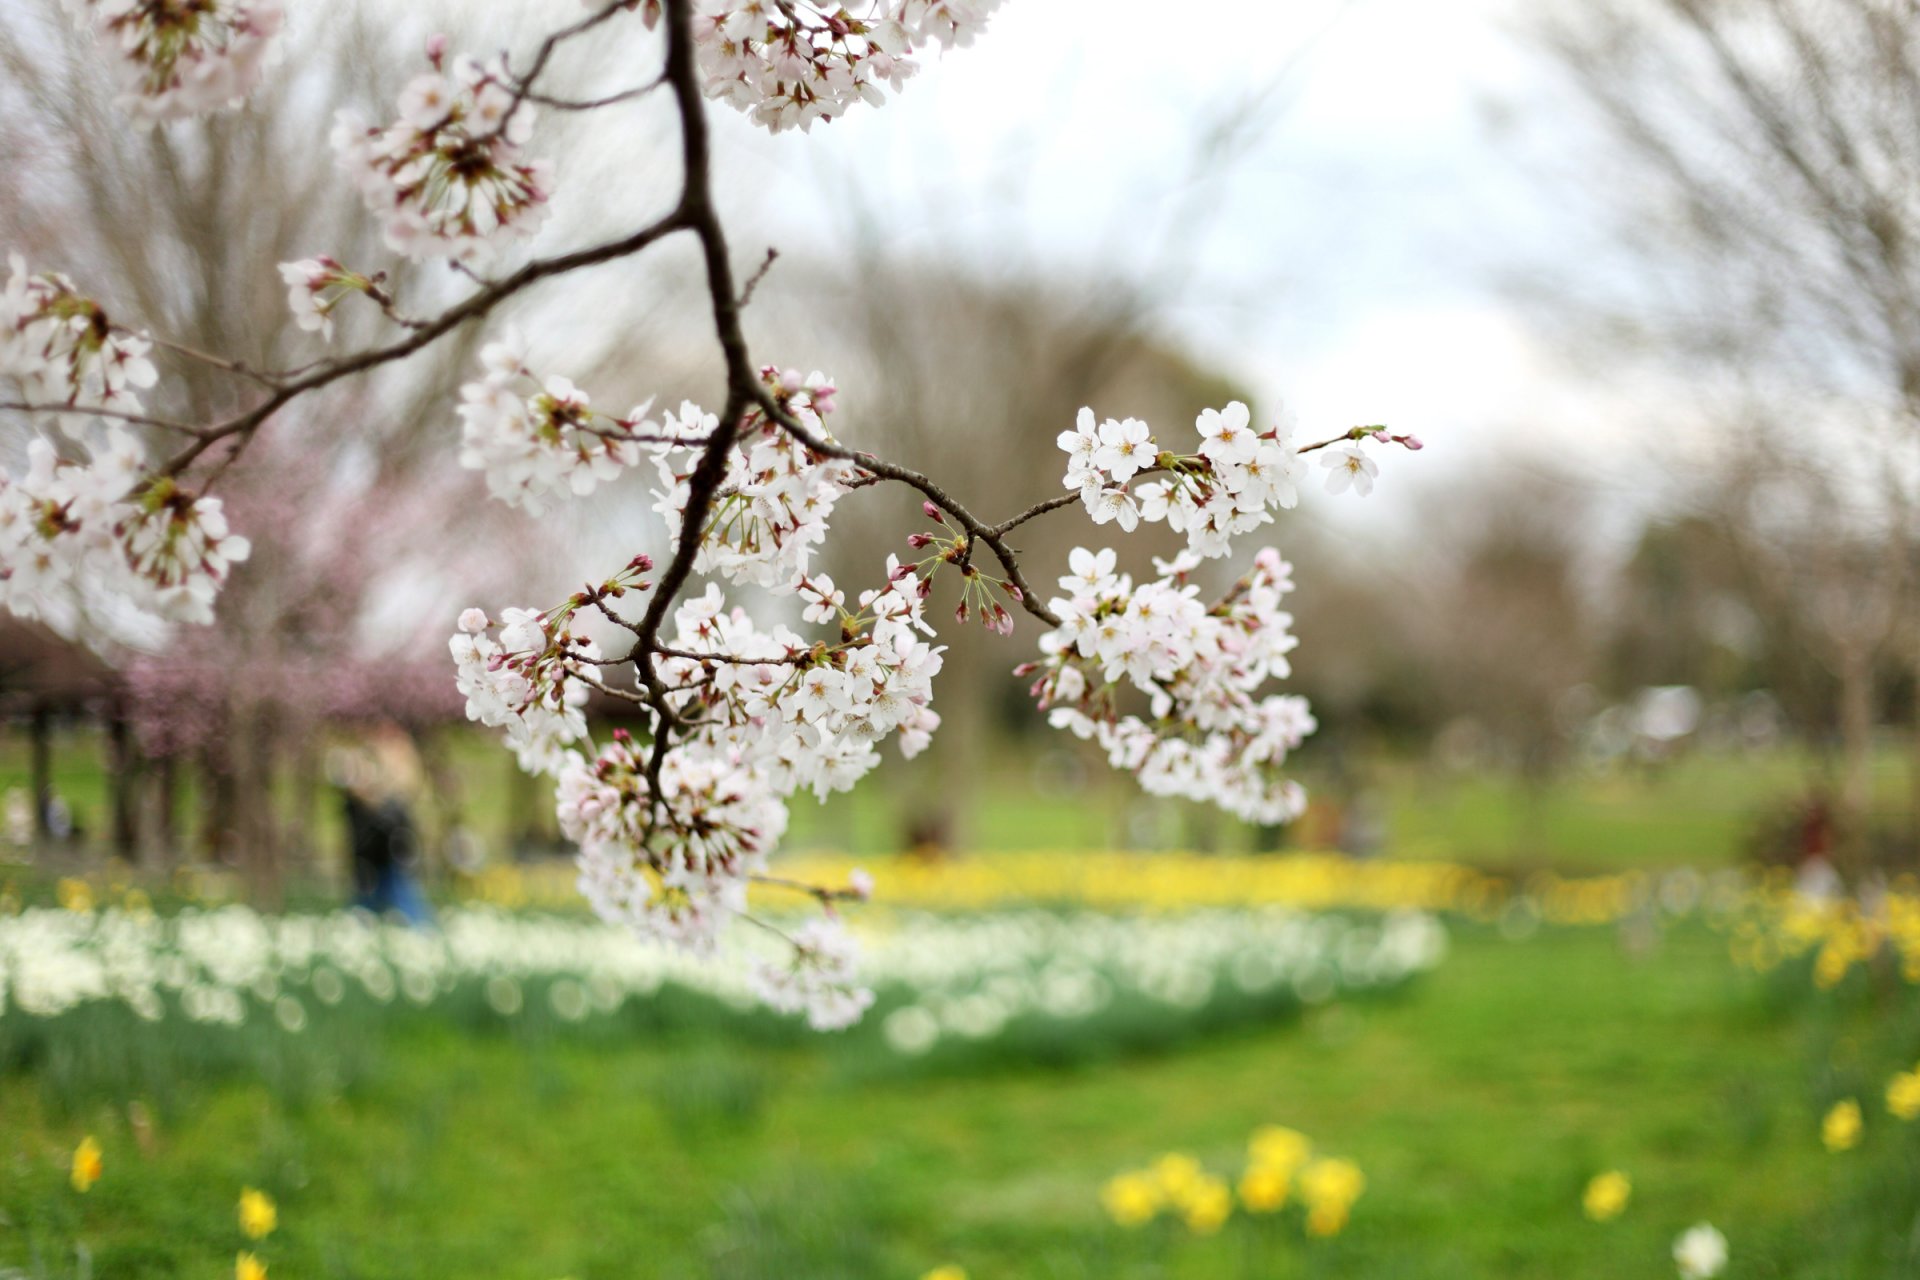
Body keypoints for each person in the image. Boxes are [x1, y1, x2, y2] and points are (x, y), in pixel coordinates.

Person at [327, 724, 434, 926]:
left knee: (403, 898)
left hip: (393, 855)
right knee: (367, 903)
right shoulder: (354, 796)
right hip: (368, 858)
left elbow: (405, 798)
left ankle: (420, 929)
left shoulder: (392, 795)